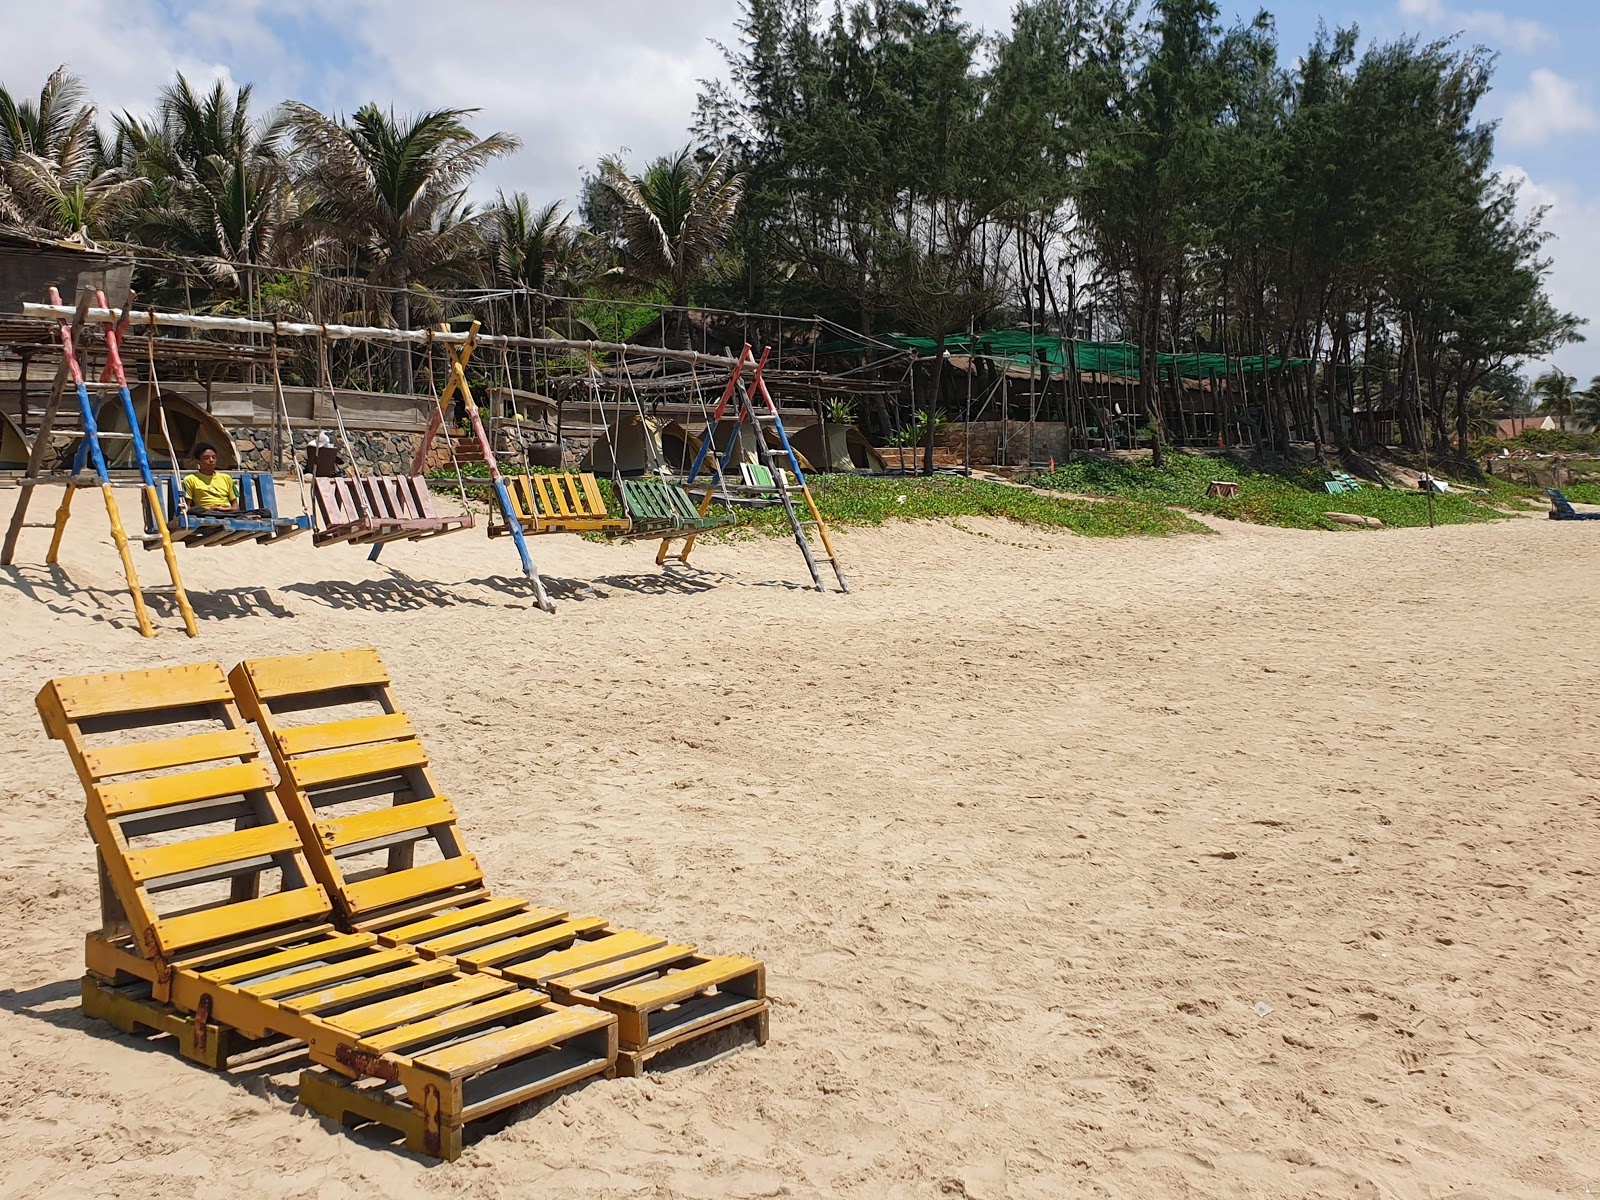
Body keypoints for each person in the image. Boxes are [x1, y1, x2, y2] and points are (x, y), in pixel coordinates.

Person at [181, 444, 263, 516]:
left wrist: (224, 509)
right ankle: (245, 517)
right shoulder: (190, 479)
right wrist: (211, 509)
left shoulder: (226, 478)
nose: (211, 460)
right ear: (198, 461)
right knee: (194, 511)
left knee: (265, 512)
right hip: (207, 513)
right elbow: (187, 506)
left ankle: (243, 516)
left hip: (227, 512)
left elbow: (235, 506)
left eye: (214, 457)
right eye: (206, 458)